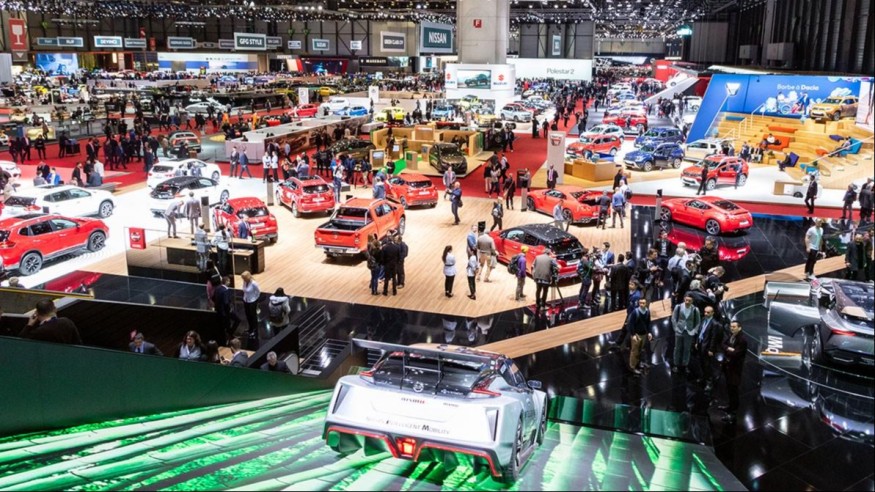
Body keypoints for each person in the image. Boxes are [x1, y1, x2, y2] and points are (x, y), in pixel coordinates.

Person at [720, 320, 747, 424]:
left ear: (739, 328)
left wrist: (728, 350)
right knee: (729, 389)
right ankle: (730, 406)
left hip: (735, 369)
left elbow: (736, 353)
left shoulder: (742, 339)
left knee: (734, 391)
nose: (732, 328)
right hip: (728, 367)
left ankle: (733, 413)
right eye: (731, 326)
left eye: (734, 327)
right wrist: (729, 349)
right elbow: (723, 344)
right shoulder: (731, 336)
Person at [671, 294, 702, 374]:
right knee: (677, 348)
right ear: (684, 299)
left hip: (689, 332)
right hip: (679, 331)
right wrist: (675, 328)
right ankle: (676, 364)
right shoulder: (678, 307)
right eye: (686, 300)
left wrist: (694, 331)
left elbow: (698, 322)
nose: (687, 302)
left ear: (692, 301)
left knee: (687, 349)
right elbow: (673, 318)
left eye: (689, 301)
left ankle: (685, 365)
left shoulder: (695, 310)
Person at [695, 305, 722, 391]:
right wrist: (697, 342)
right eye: (705, 312)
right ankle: (703, 377)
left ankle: (709, 382)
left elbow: (714, 338)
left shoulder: (714, 324)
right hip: (701, 344)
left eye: (708, 312)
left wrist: (711, 349)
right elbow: (700, 331)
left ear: (712, 313)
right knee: (701, 363)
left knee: (707, 365)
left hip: (707, 348)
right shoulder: (703, 319)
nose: (706, 314)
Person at [626, 298, 652, 375]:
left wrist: (649, 332)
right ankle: (632, 366)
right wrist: (633, 334)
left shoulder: (647, 311)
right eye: (640, 303)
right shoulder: (635, 312)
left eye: (643, 303)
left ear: (646, 303)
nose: (641, 305)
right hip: (636, 334)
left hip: (643, 334)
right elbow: (631, 324)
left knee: (640, 350)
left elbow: (648, 323)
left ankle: (638, 363)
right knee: (635, 351)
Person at [241, 271, 261, 341]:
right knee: (248, 315)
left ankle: (254, 330)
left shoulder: (254, 283)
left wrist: (255, 299)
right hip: (245, 300)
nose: (243, 279)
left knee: (253, 316)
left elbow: (258, 292)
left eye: (244, 278)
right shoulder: (244, 282)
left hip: (252, 301)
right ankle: (250, 328)